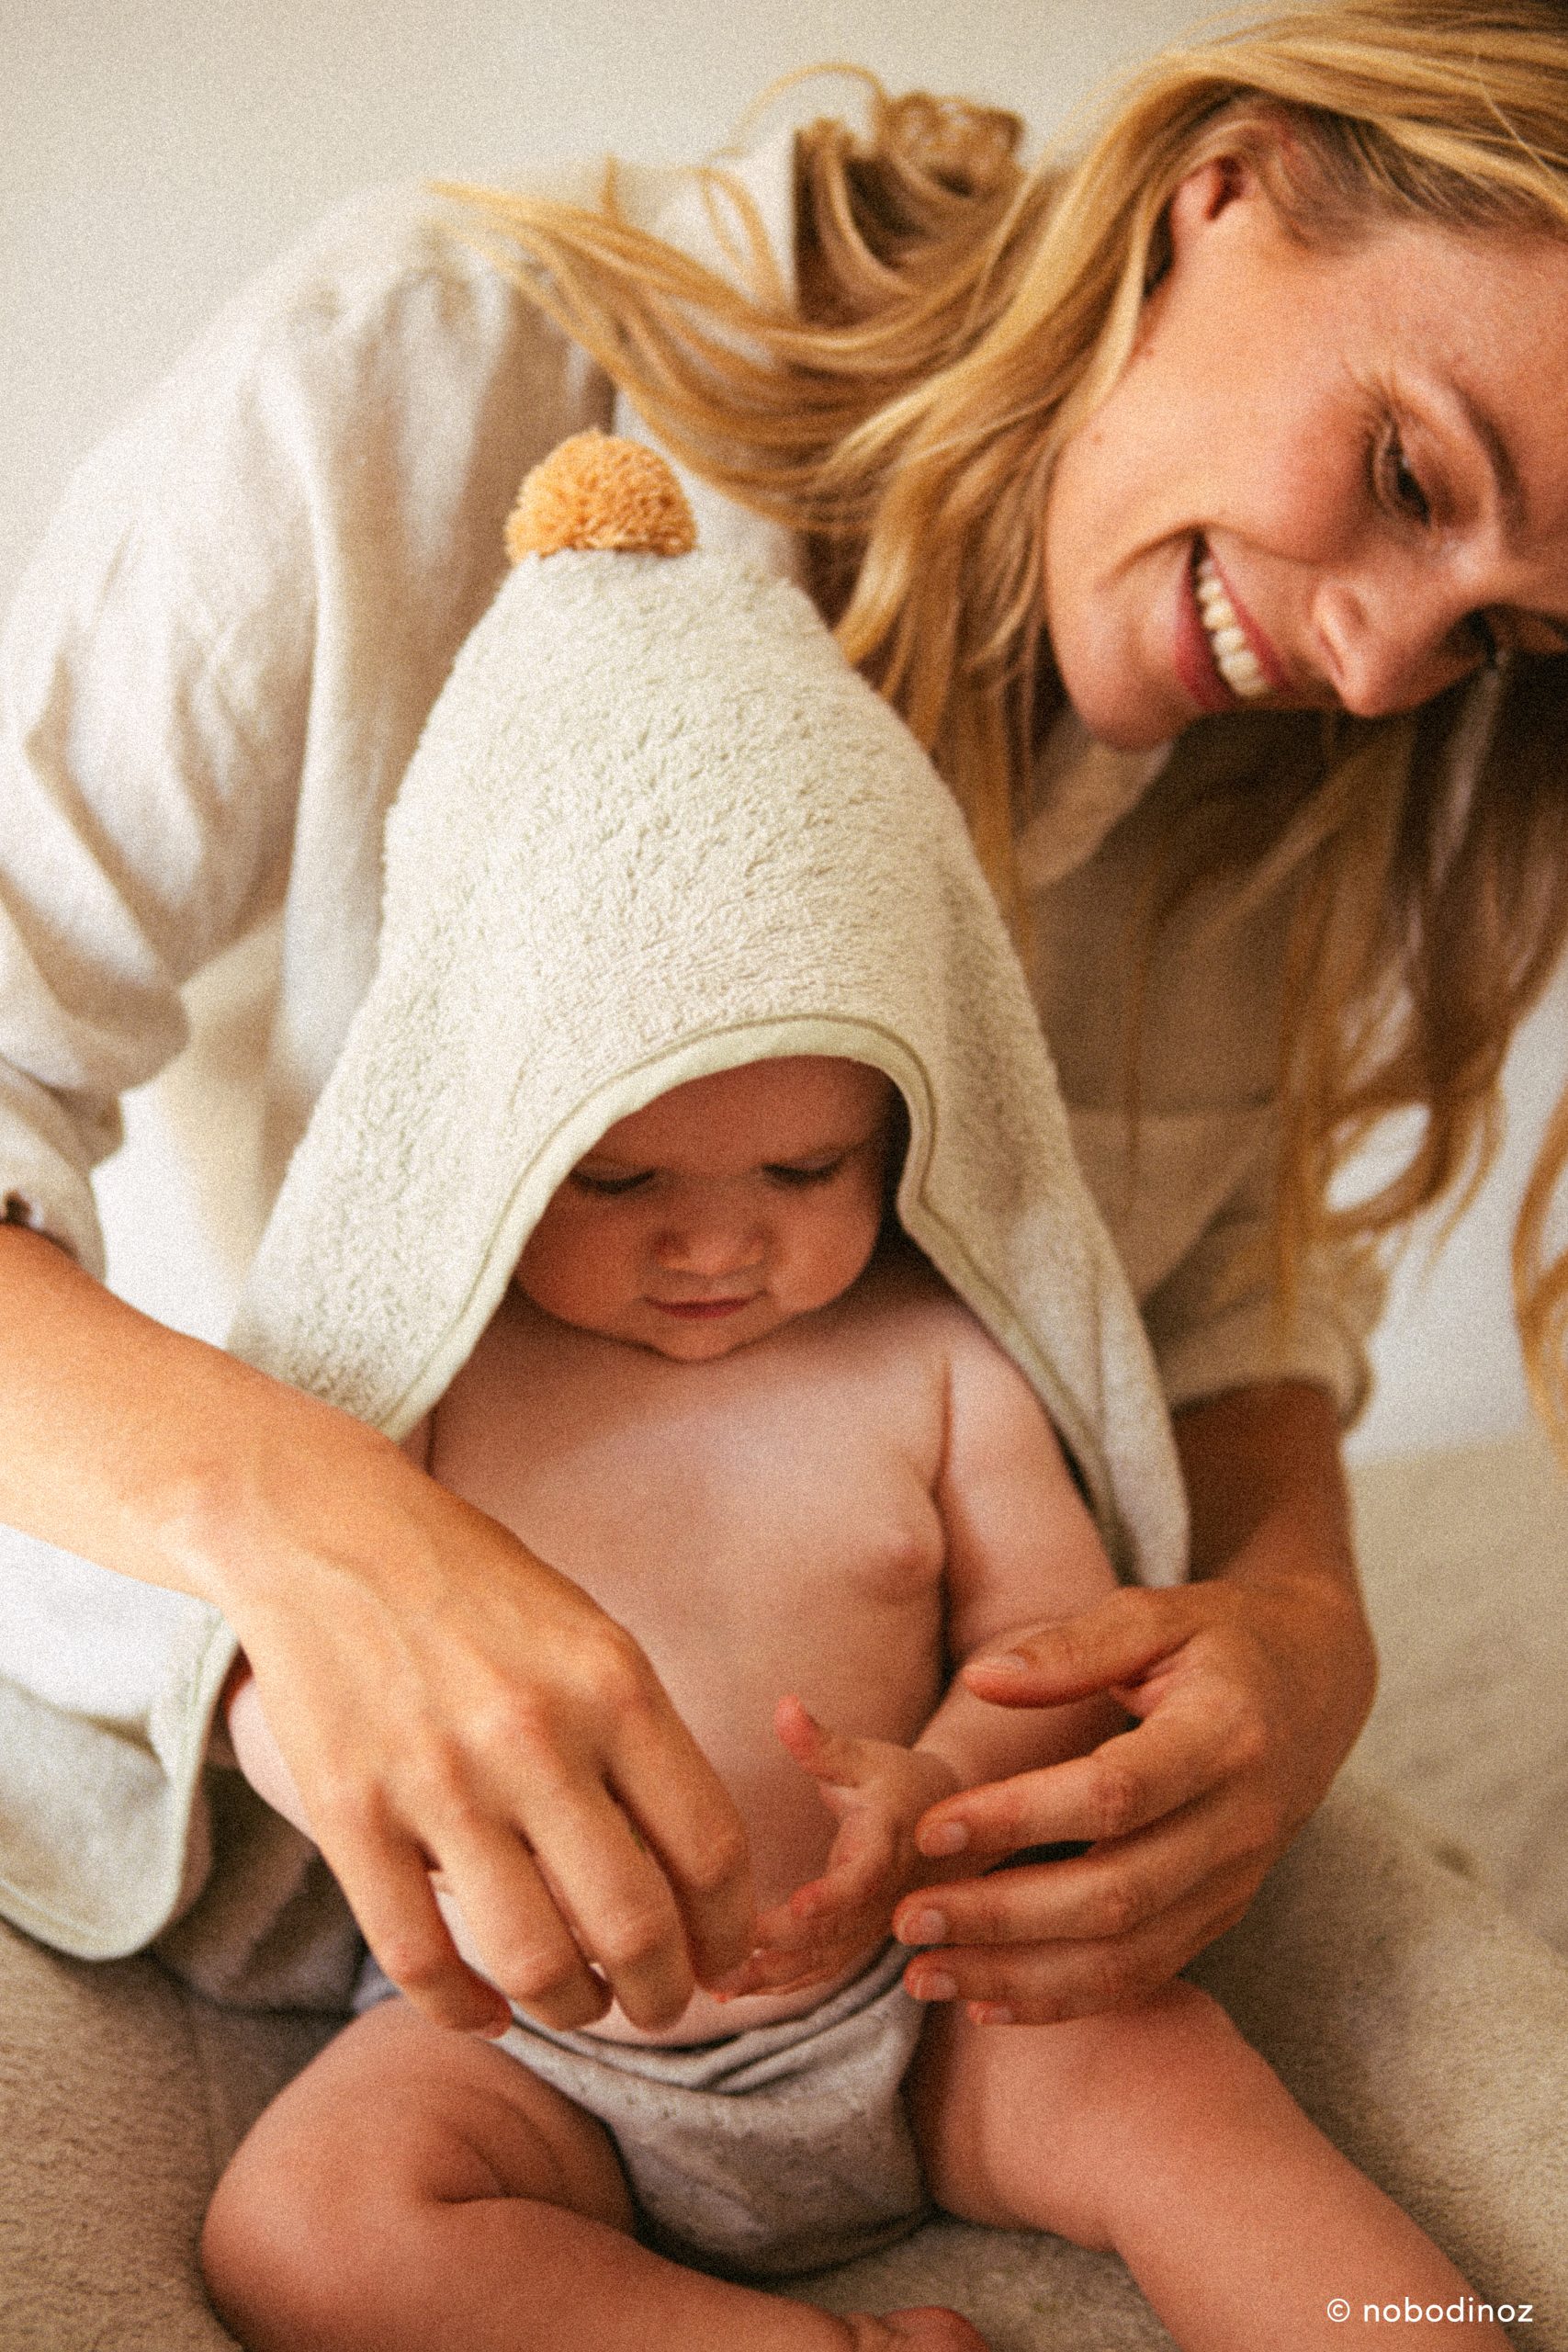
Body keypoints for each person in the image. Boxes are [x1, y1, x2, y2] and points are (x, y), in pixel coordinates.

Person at [1, 0, 1567, 2052]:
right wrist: (315, 1534)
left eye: (1499, 627)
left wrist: (1296, 1619)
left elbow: (1219, 1309)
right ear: (1228, 186)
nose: (1372, 662)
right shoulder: (425, 367)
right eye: (1399, 470)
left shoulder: (1339, 755)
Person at [202, 1053, 1509, 2352]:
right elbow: (283, 1677)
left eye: (802, 1168)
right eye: (615, 1179)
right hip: (533, 2039)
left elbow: (1056, 1641)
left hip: (926, 1997)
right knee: (304, 2233)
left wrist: (940, 1786)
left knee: (1178, 2092)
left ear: (894, 1140)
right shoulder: (431, 1379)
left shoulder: (936, 1349)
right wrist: (384, 1798)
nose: (714, 1239)